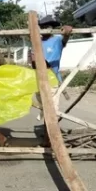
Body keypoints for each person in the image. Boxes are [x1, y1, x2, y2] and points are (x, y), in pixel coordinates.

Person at [30, 16, 72, 146]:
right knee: (45, 109)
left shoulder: (57, 40)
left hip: (53, 80)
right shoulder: (37, 42)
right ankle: (49, 135)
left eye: (48, 26)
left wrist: (67, 31)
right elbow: (33, 62)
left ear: (52, 28)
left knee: (52, 110)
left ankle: (50, 139)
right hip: (39, 80)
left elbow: (67, 33)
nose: (45, 29)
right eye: (43, 26)